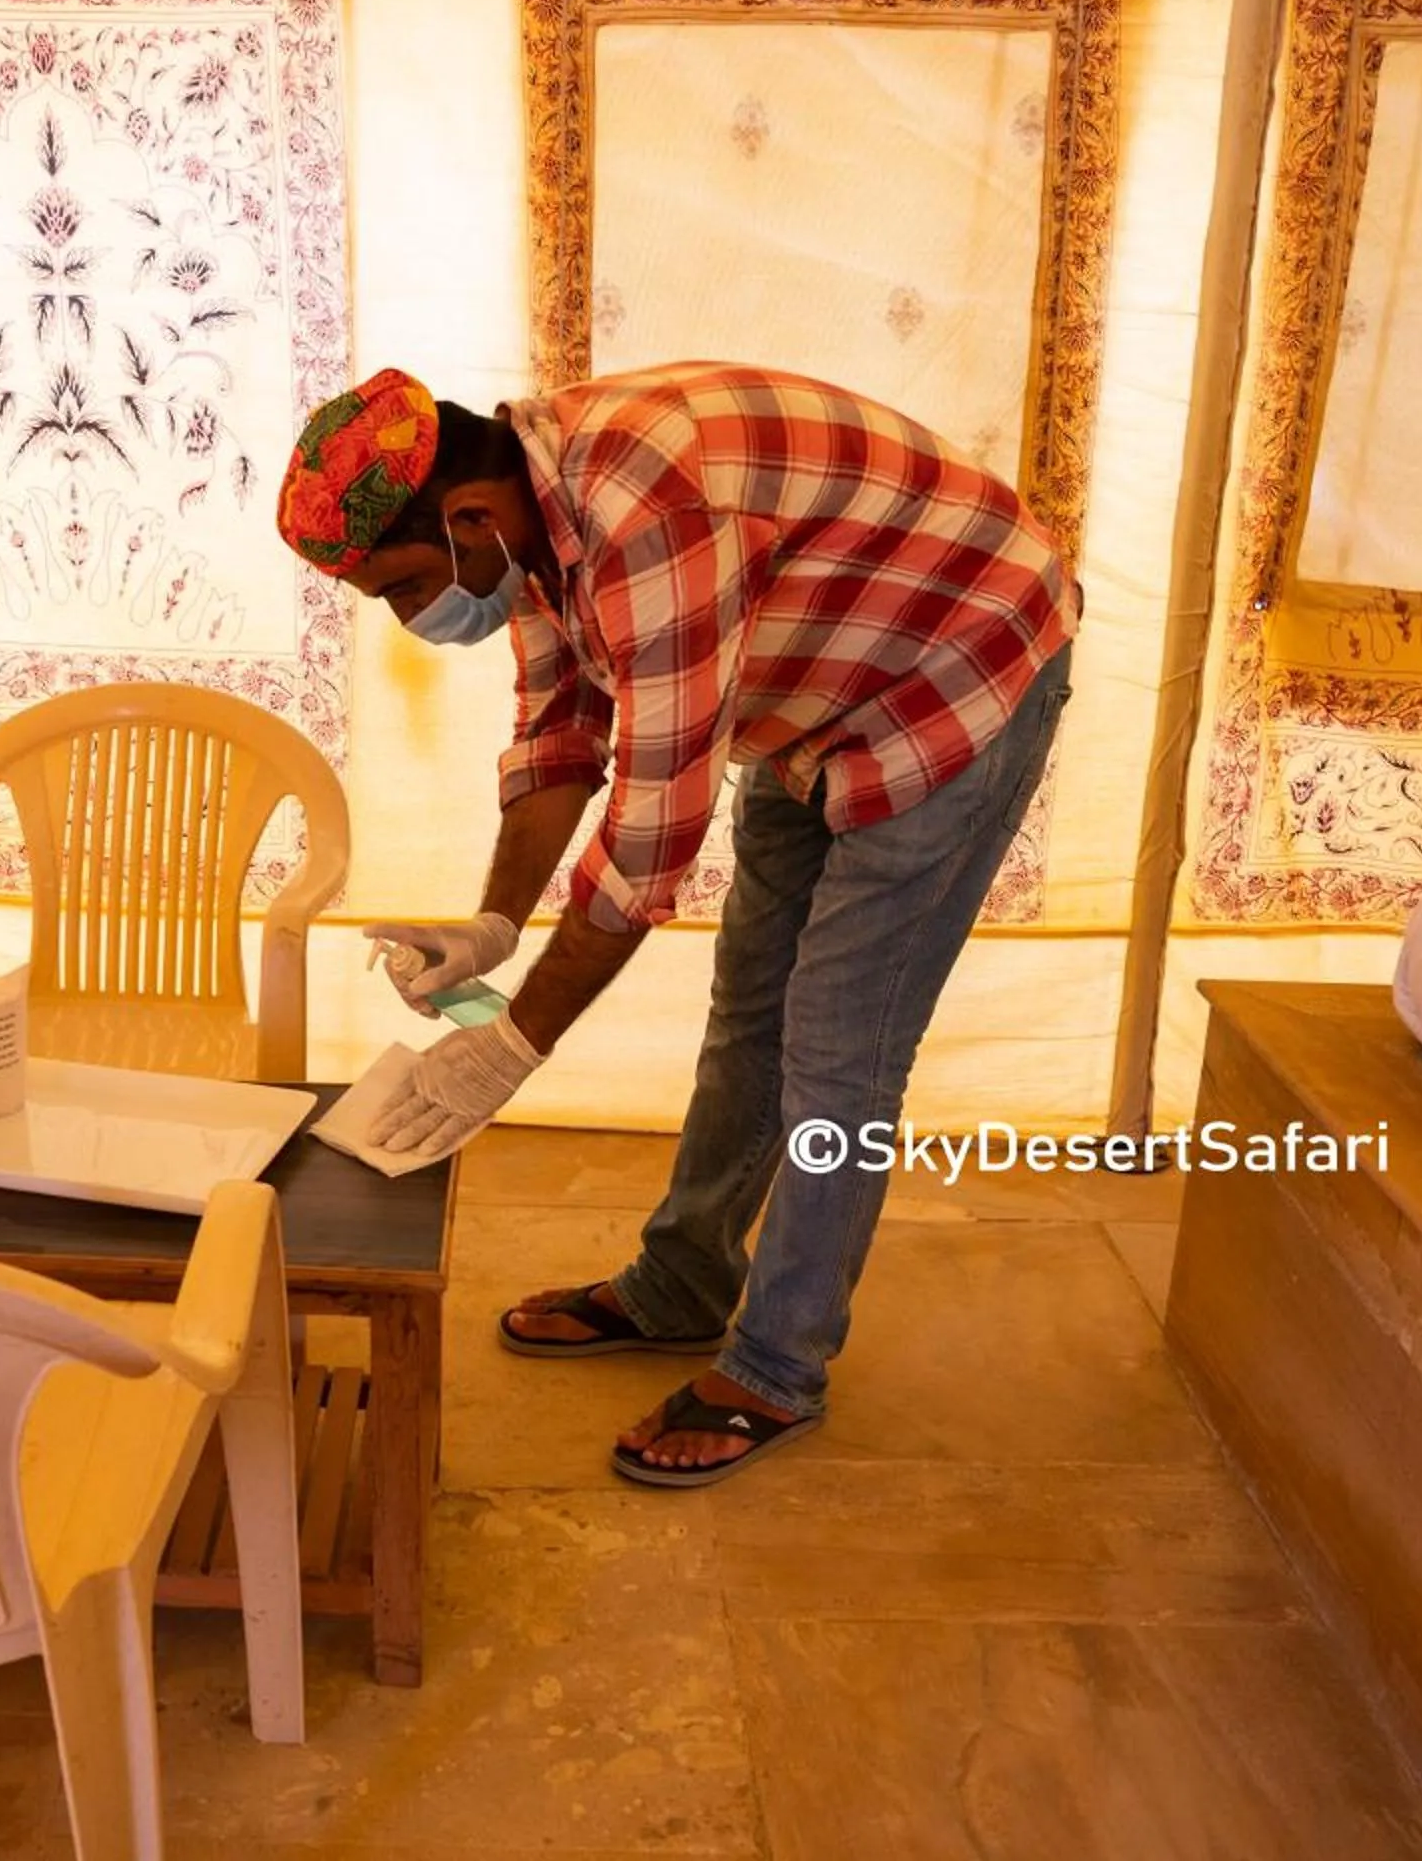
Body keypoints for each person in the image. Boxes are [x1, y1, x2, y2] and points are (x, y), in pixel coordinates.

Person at [273, 361, 1077, 1487]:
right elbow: (562, 729)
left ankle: (777, 1366)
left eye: (405, 587)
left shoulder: (646, 507)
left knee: (840, 1049)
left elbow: (649, 847)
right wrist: (495, 925)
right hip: (814, 682)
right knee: (750, 1004)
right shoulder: (529, 524)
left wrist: (510, 1047)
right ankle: (682, 1282)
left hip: (956, 667)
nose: (415, 620)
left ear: (466, 518)